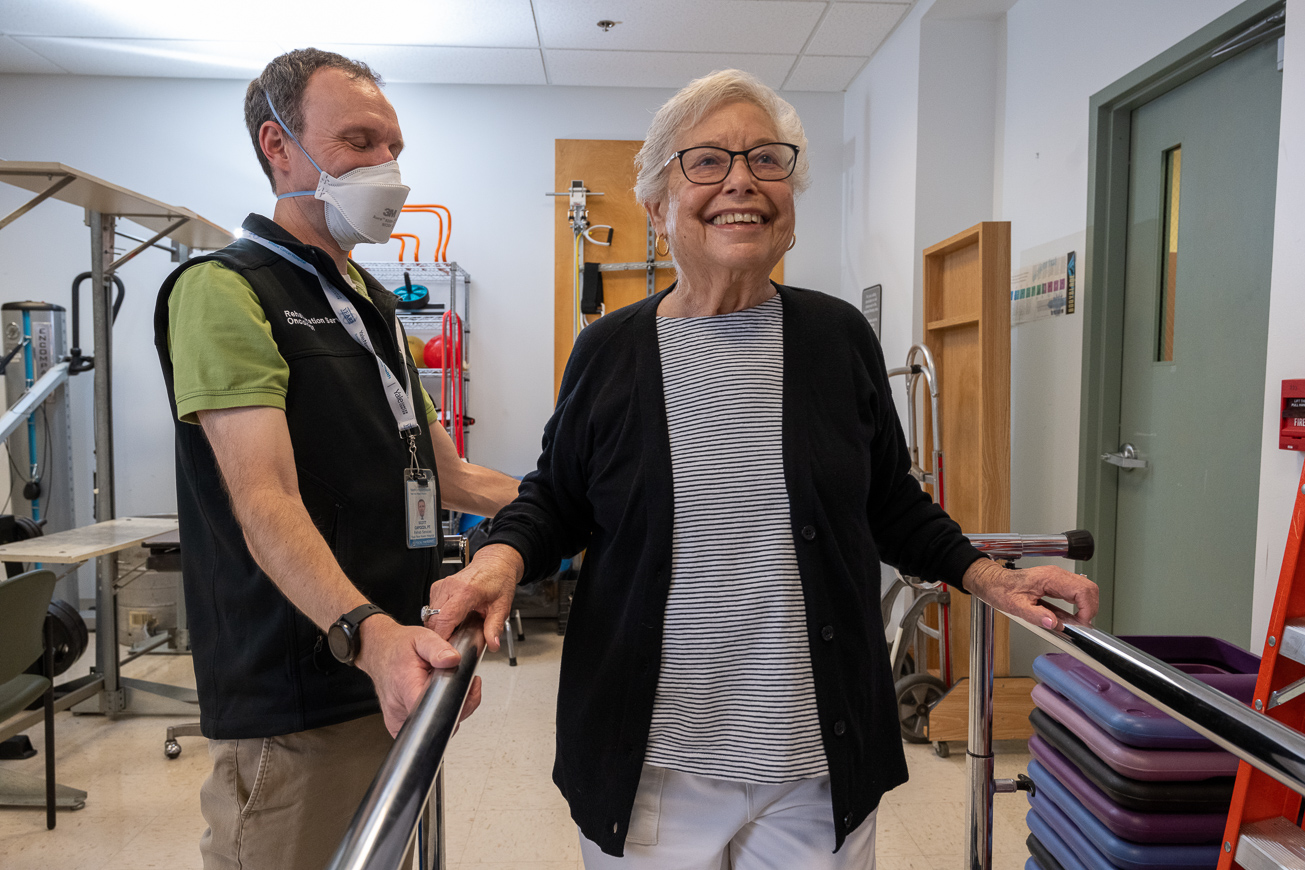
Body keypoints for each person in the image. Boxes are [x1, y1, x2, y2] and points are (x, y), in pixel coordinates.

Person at [427, 69, 1099, 869]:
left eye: (766, 159)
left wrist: (986, 576)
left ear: (790, 204)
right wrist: (500, 558)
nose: (741, 180)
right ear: (656, 206)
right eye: (706, 160)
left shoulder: (837, 338)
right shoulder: (608, 350)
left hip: (813, 760)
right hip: (652, 761)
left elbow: (889, 501)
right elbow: (557, 498)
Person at [152, 49, 519, 870]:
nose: (386, 167)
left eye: (393, 147)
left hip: (394, 666)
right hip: (302, 689)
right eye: (358, 142)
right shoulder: (225, 289)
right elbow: (265, 500)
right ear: (277, 146)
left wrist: (580, 502)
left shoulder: (371, 304)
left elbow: (448, 476)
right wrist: (368, 634)